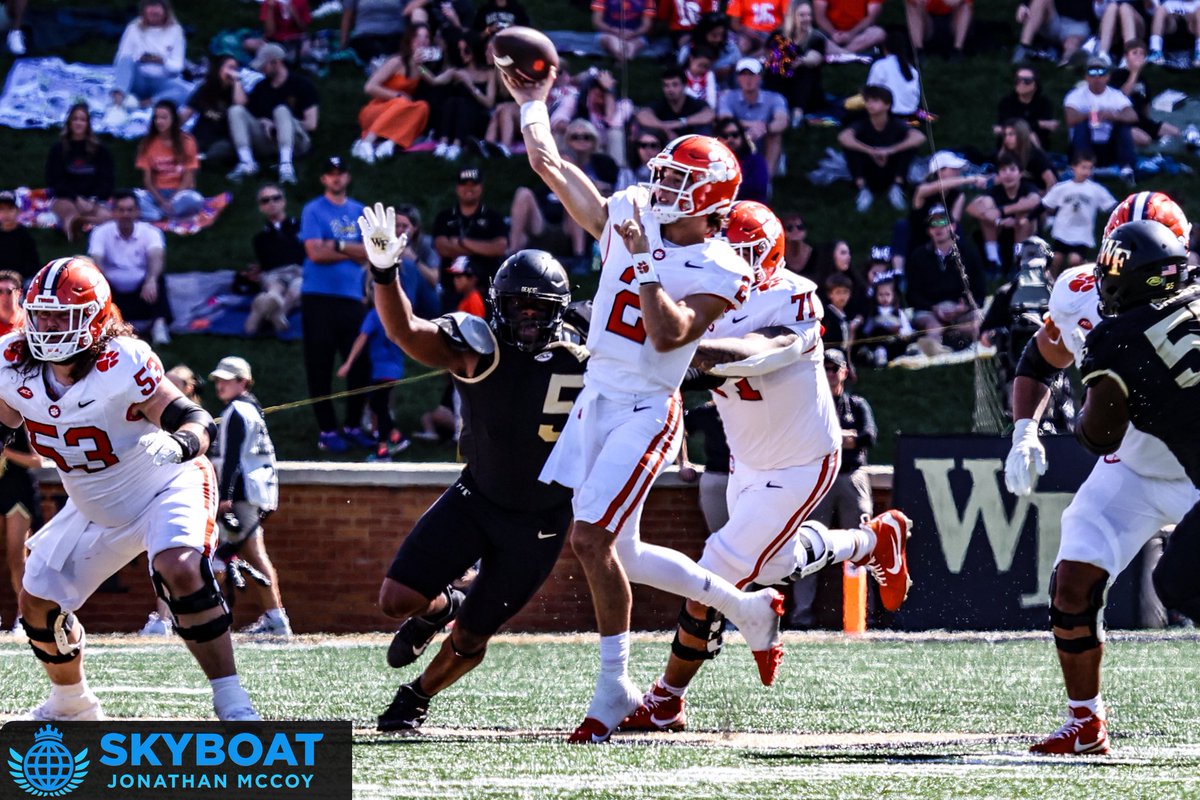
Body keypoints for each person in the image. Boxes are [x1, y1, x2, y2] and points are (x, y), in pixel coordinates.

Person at [508, 67, 792, 745]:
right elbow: (551, 167)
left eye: (677, 183)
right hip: (597, 395)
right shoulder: (635, 209)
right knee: (625, 554)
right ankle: (748, 610)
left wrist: (640, 263)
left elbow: (669, 335)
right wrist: (533, 104)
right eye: (662, 176)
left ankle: (614, 689)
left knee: (590, 540)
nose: (660, 189)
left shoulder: (724, 265)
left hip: (645, 405)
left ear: (710, 199)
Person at [620, 202, 910, 733]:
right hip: (747, 459)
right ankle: (870, 542)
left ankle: (667, 698)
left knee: (716, 568)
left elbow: (754, 354)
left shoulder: (793, 297)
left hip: (803, 459)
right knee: (774, 566)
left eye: (747, 253)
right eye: (727, 250)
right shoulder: (702, 285)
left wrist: (679, 345)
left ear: (771, 255)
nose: (736, 262)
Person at [0, 256, 258, 722]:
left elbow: (195, 419)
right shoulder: (12, 362)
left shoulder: (122, 360)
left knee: (180, 567)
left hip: (163, 483)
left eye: (63, 316)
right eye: (42, 315)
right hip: (92, 503)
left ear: (95, 318)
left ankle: (232, 699)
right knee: (37, 604)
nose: (49, 327)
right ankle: (72, 703)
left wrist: (181, 444)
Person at [354, 220, 587, 731]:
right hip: (477, 497)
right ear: (499, 304)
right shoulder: (477, 344)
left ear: (561, 309)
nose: (528, 317)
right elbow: (405, 330)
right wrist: (385, 273)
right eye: (518, 306)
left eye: (540, 308)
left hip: (542, 518)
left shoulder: (590, 343)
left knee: (472, 635)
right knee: (397, 600)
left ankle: (417, 696)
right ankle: (441, 606)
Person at [1004, 193, 1193, 755]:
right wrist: (1024, 430)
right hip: (1130, 468)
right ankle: (1085, 721)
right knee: (1072, 582)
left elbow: (1096, 427)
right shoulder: (1079, 291)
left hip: (1193, 470)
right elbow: (1041, 358)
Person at [206, 356, 289, 638]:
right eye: (218, 380)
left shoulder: (237, 411)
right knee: (245, 554)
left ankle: (213, 620)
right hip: (255, 491)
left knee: (230, 556)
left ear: (243, 382)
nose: (220, 385)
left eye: (227, 380)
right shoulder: (251, 409)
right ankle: (274, 618)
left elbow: (233, 457)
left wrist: (224, 496)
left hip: (242, 493)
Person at [299, 157, 374, 454]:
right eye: (330, 174)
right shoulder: (313, 210)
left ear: (347, 176)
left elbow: (370, 251)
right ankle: (327, 429)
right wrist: (352, 251)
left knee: (360, 362)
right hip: (317, 296)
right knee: (319, 364)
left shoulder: (359, 211)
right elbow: (315, 253)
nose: (336, 178)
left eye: (340, 173)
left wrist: (337, 245)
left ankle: (354, 424)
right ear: (323, 179)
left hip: (351, 297)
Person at [0, 269, 40, 633]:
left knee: (18, 553)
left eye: (8, 290)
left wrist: (5, 453)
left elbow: (37, 459)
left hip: (16, 482)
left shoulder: (28, 331)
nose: (3, 296)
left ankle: (25, 617)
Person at [86, 190, 171, 346]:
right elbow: (97, 259)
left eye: (130, 210)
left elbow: (156, 256)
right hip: (112, 289)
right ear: (114, 212)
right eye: (121, 210)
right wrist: (101, 283)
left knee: (158, 278)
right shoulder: (100, 233)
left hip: (143, 289)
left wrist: (151, 280)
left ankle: (159, 326)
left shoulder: (151, 232)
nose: (126, 215)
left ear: (137, 212)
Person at [227, 43, 320, 185]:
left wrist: (281, 124)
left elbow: (311, 125)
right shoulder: (261, 87)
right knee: (235, 111)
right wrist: (264, 122)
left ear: (276, 63)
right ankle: (247, 162)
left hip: (297, 140)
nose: (261, 69)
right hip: (269, 140)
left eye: (264, 65)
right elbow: (252, 113)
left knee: (281, 110)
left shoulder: (302, 84)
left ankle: (286, 166)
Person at [337, 294, 413, 462]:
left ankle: (383, 451)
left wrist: (348, 363)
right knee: (378, 405)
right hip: (394, 369)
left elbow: (361, 338)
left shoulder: (374, 314)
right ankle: (395, 437)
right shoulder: (395, 313)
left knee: (379, 407)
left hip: (381, 370)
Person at [906, 204, 986, 353]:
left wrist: (964, 307)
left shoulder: (968, 252)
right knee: (933, 326)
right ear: (929, 230)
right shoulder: (918, 256)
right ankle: (933, 350)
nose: (938, 228)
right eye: (933, 224)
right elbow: (912, 295)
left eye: (943, 222)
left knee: (978, 321)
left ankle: (960, 340)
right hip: (931, 311)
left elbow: (980, 290)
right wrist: (934, 308)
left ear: (953, 226)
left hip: (962, 310)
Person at [837, 84, 927, 214]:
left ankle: (897, 187)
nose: (870, 104)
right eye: (868, 101)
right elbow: (843, 137)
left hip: (891, 167)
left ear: (887, 105)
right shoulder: (862, 122)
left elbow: (919, 137)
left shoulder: (895, 123)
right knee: (851, 148)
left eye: (875, 101)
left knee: (908, 147)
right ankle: (863, 189)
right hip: (868, 167)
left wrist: (890, 150)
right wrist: (871, 151)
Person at [431, 167, 509, 309]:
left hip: (486, 290)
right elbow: (441, 247)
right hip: (451, 291)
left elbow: (500, 247)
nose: (469, 188)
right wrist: (482, 248)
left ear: (481, 187)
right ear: (457, 188)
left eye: (473, 184)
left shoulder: (493, 217)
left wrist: (462, 243)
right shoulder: (444, 216)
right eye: (464, 184)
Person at [351, 29, 432, 163]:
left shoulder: (420, 68)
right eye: (417, 37)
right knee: (402, 102)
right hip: (377, 110)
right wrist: (398, 95)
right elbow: (369, 87)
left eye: (426, 37)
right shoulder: (396, 61)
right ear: (409, 41)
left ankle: (390, 143)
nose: (422, 40)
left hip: (398, 111)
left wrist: (452, 72)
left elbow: (434, 80)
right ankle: (365, 143)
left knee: (423, 106)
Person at [106, 0, 191, 122]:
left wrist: (162, 61)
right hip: (138, 79)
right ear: (144, 10)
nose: (154, 11)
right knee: (126, 59)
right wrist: (140, 58)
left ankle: (140, 104)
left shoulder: (176, 31)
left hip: (161, 81)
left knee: (185, 91)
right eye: (150, 6)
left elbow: (178, 67)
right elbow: (120, 59)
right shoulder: (133, 28)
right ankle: (117, 105)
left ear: (165, 10)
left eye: (157, 7)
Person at [45, 103, 115, 243]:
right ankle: (74, 235)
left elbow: (107, 180)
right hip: (66, 199)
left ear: (88, 124)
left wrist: (93, 201)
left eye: (82, 120)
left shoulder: (101, 150)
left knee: (110, 218)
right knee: (71, 214)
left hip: (92, 200)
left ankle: (83, 222)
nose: (78, 123)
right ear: (69, 122)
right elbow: (54, 181)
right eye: (75, 119)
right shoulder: (58, 149)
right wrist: (76, 199)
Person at [1064, 55, 1137, 184]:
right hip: (1084, 146)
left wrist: (1113, 116)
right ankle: (1084, 168)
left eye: (1101, 72)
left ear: (1107, 76)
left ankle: (1127, 170)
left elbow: (1133, 116)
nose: (1097, 77)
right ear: (1086, 77)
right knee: (1081, 125)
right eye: (1092, 73)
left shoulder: (1116, 95)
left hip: (1109, 147)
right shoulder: (1075, 95)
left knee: (1123, 126)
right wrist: (1089, 115)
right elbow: (1070, 119)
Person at [965, 152, 1043, 272]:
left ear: (1020, 173)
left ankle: (1018, 262)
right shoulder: (996, 190)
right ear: (999, 175)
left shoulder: (1027, 187)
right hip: (1000, 230)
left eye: (1012, 169)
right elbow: (971, 207)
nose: (1008, 174)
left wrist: (1001, 211)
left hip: (1025, 232)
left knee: (1024, 209)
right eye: (1003, 170)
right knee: (985, 204)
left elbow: (1036, 201)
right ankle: (994, 261)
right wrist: (998, 220)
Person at [1041, 150, 1118, 271]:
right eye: (1083, 167)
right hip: (1062, 230)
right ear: (1074, 167)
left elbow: (1112, 206)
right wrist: (1029, 218)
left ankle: (1076, 279)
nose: (1086, 172)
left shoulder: (1096, 189)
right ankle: (1052, 280)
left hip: (1082, 233)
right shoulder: (1062, 188)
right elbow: (1045, 204)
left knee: (1075, 260)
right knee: (1056, 259)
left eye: (1090, 168)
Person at [247, 183, 305, 335]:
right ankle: (270, 309)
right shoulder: (260, 238)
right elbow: (267, 264)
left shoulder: (301, 227)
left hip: (299, 271)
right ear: (261, 207)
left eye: (276, 198)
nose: (271, 203)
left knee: (296, 288)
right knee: (274, 289)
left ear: (283, 201)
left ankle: (272, 314)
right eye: (265, 200)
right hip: (275, 273)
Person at [717, 58, 789, 176]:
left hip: (763, 140)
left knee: (775, 135)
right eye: (743, 75)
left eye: (752, 74)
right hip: (739, 138)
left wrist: (765, 128)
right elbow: (724, 119)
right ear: (738, 78)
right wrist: (752, 126)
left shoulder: (775, 98)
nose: (748, 79)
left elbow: (782, 121)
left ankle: (766, 178)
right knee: (727, 134)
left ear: (760, 76)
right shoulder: (727, 97)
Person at [134, 100, 204, 222]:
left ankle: (159, 214)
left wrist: (172, 200)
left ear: (173, 119)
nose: (159, 121)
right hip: (156, 193)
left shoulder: (187, 141)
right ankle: (163, 214)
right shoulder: (147, 143)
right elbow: (147, 180)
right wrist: (162, 201)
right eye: (156, 118)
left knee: (195, 200)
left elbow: (188, 177)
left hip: (181, 192)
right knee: (133, 197)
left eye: (164, 118)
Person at [1112, 40, 1181, 149]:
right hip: (1123, 122)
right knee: (1145, 140)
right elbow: (1122, 97)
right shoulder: (1117, 75)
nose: (1138, 56)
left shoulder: (1143, 80)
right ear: (1126, 56)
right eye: (1135, 53)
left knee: (1175, 132)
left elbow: (1146, 106)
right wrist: (1134, 72)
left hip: (1141, 120)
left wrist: (1149, 124)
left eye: (1142, 54)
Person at [181, 56, 245, 165]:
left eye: (236, 69)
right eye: (230, 68)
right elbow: (187, 112)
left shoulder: (236, 90)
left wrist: (237, 81)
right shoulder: (205, 88)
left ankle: (202, 160)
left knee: (220, 151)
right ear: (219, 68)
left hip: (223, 138)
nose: (233, 72)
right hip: (201, 136)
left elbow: (240, 104)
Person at [634, 67, 717, 143]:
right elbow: (642, 115)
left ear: (684, 86)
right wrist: (664, 127)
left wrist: (681, 123)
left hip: (692, 143)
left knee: (704, 128)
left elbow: (709, 114)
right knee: (646, 130)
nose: (670, 89)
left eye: (675, 85)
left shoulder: (694, 103)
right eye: (666, 85)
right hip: (665, 146)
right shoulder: (660, 103)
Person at [1012, 0, 1093, 66]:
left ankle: (1065, 69)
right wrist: (1025, 4)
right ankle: (1023, 48)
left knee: (1072, 44)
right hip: (1054, 17)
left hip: (1078, 24)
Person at [994, 65, 1059, 148]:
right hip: (1009, 147)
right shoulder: (1006, 102)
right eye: (1018, 80)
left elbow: (1045, 132)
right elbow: (1006, 127)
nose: (1021, 83)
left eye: (1027, 81)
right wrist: (1039, 124)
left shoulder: (1044, 103)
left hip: (1037, 146)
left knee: (1032, 137)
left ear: (1036, 84)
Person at [714, 117, 770, 204]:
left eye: (735, 134)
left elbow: (758, 188)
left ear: (742, 136)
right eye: (725, 136)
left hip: (750, 209)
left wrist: (725, 185)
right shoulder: (711, 163)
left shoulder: (756, 161)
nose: (730, 139)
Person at [865, 31, 921, 118]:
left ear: (885, 48)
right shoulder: (912, 70)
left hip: (888, 115)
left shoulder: (880, 65)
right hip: (911, 113)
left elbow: (870, 92)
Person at [997, 117, 1058, 193]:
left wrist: (1041, 198)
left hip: (1039, 194)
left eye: (1011, 134)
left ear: (1021, 135)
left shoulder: (1035, 155)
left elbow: (1051, 182)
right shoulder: (1007, 154)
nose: (1007, 138)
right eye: (1005, 135)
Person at [340, 0, 407, 62]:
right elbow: (347, 16)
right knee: (369, 47)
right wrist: (343, 45)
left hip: (395, 34)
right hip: (365, 35)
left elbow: (409, 12)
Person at [905, 0, 971, 60]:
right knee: (912, 6)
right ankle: (918, 51)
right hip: (926, 21)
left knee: (965, 6)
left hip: (952, 20)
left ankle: (957, 50)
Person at [813, 0, 886, 53]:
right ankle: (846, 54)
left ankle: (841, 53)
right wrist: (833, 34)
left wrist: (851, 34)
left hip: (858, 34)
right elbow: (820, 17)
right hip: (830, 33)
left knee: (879, 33)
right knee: (815, 35)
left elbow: (871, 17)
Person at [0, 192, 39, 280]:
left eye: (10, 209)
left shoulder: (25, 237)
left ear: (18, 211)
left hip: (21, 280)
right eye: (1, 209)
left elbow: (33, 266)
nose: (6, 213)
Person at [1148, 0, 1200, 67]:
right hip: (1172, 28)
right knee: (1160, 10)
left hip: (1192, 28)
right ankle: (1155, 51)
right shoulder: (1168, 3)